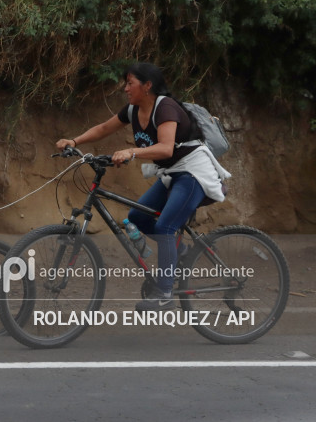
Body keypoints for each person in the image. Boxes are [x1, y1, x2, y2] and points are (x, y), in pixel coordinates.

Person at [55, 62, 230, 311]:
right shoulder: (133, 110)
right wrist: (75, 141)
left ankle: (165, 294)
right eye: (125, 83)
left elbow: (166, 148)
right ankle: (181, 253)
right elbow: (104, 128)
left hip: (193, 173)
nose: (125, 88)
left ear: (147, 86)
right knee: (138, 216)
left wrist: (131, 152)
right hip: (171, 173)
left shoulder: (165, 107)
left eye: (130, 83)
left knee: (166, 227)